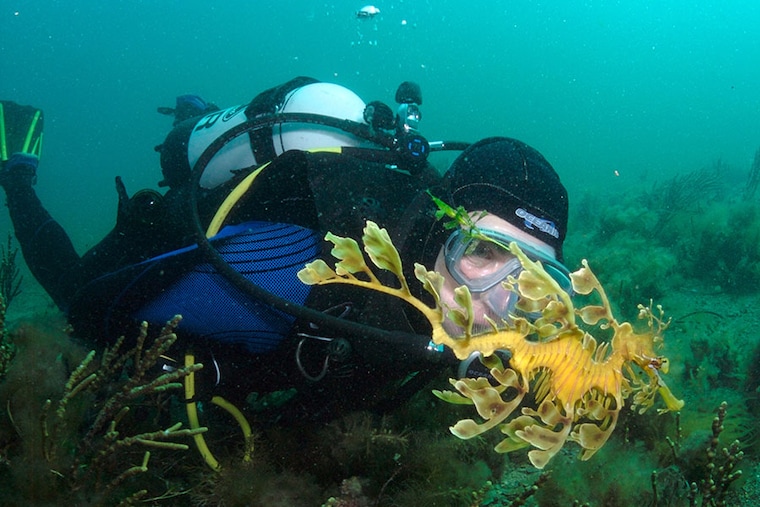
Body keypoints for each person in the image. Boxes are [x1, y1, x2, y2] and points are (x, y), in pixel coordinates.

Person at [0, 80, 570, 425]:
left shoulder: (468, 312)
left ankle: (194, 110)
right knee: (76, 301)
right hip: (201, 229)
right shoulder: (290, 267)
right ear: (437, 231)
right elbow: (98, 306)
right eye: (485, 254)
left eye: (538, 279)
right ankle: (17, 172)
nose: (503, 305)